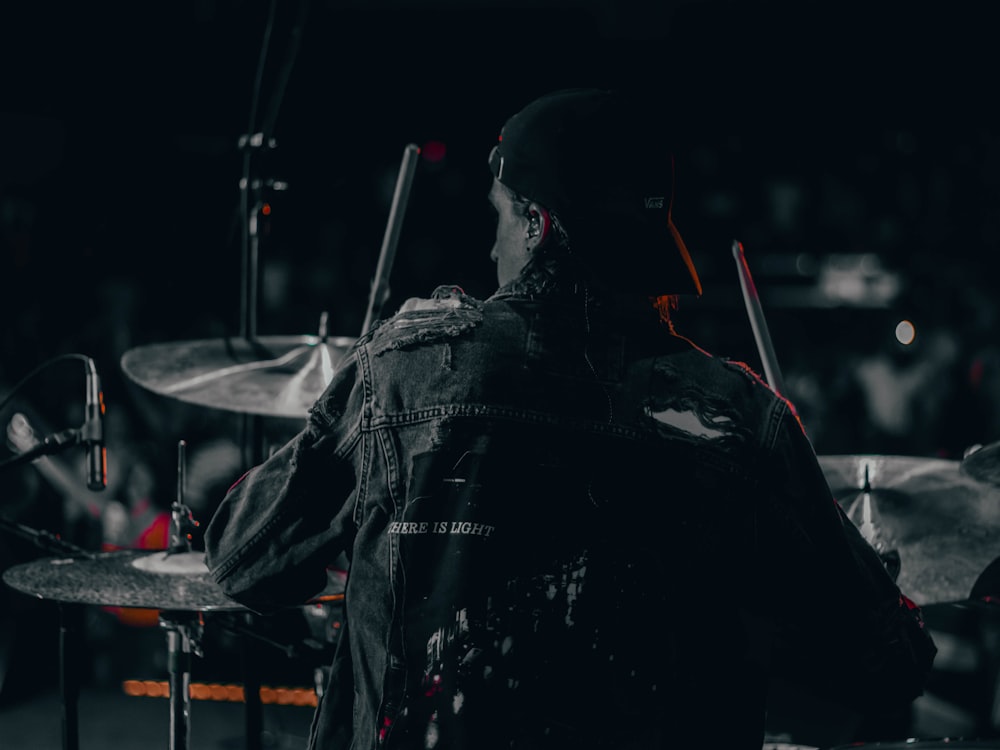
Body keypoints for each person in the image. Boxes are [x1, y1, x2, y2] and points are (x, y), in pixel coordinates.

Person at [204, 88, 937, 750]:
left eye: (498, 216)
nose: (491, 248)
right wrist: (870, 573)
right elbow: (890, 667)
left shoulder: (404, 373)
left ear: (536, 220)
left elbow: (242, 557)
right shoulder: (743, 418)